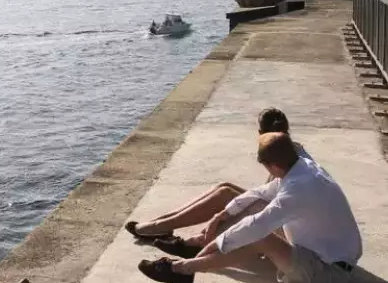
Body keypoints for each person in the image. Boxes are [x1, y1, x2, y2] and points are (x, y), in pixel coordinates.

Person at [137, 131, 361, 283]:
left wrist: (217, 243)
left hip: (330, 272)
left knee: (259, 237)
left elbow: (257, 226)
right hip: (318, 251)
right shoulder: (302, 167)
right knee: (253, 205)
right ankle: (194, 253)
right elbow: (260, 193)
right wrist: (221, 215)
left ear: (273, 166)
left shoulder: (298, 189)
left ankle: (182, 269)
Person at [124, 107, 297, 255]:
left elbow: (276, 208)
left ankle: (194, 239)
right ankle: (164, 222)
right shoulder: (290, 149)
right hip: (282, 215)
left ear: (260, 134)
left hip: (285, 227)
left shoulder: (282, 158)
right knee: (225, 187)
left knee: (226, 194)